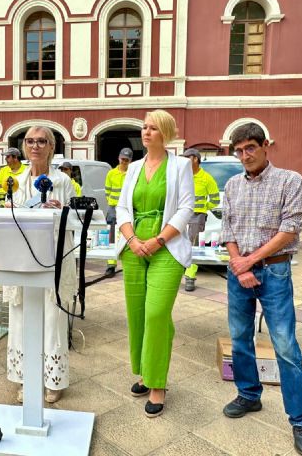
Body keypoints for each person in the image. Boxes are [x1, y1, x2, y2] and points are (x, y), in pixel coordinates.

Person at [220, 123, 302, 456]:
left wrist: (251, 262)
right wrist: (238, 263)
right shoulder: (232, 185)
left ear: (265, 146)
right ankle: (249, 394)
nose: (244, 155)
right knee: (239, 338)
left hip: (274, 271)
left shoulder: (290, 180)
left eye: (250, 148)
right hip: (239, 273)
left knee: (285, 345)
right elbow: (227, 226)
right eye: (239, 150)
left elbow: (290, 228)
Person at [116, 110, 194, 418]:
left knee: (157, 312)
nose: (146, 133)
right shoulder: (133, 168)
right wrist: (133, 240)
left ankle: (158, 382)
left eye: (153, 128)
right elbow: (122, 206)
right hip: (135, 248)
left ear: (166, 133)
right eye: (144, 128)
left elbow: (187, 207)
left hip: (167, 248)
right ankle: (145, 372)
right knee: (137, 314)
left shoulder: (181, 165)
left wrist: (157, 240)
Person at [3, 126, 76, 404]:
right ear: (24, 147)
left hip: (53, 257)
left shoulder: (63, 182)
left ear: (51, 147)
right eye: (30, 141)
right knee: (21, 318)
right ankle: (25, 377)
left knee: (52, 318)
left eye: (41, 141)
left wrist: (58, 210)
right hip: (22, 259)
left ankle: (52, 378)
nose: (35, 146)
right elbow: (8, 216)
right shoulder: (16, 181)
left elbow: (76, 221)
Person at [181, 148, 220, 291]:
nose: (184, 160)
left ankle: (190, 277)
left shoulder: (207, 178)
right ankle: (178, 270)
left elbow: (215, 199)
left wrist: (203, 208)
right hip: (180, 215)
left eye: (187, 158)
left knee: (193, 246)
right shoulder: (182, 175)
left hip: (197, 216)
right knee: (177, 243)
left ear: (195, 159)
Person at [104, 147, 133, 277]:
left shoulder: (133, 173)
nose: (124, 162)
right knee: (111, 237)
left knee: (130, 236)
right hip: (113, 209)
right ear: (118, 158)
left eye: (126, 160)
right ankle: (111, 265)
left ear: (130, 161)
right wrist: (112, 203)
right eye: (122, 159)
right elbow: (107, 191)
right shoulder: (111, 173)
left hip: (128, 210)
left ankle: (129, 264)